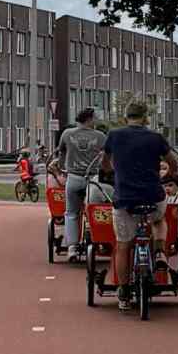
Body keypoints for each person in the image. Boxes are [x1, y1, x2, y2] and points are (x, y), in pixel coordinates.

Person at [101, 99, 170, 313]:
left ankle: (123, 292)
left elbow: (105, 162)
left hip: (125, 198)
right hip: (152, 196)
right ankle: (159, 252)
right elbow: (172, 162)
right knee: (159, 219)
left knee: (123, 245)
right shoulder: (156, 138)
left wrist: (111, 172)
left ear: (125, 117)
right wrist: (171, 174)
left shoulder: (114, 136)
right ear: (146, 118)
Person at [56, 108, 108, 263]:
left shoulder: (67, 134)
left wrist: (62, 167)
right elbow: (107, 157)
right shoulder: (100, 136)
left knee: (71, 212)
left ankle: (72, 247)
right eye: (94, 118)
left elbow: (61, 152)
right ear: (89, 119)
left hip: (73, 177)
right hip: (93, 179)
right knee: (96, 209)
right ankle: (99, 239)